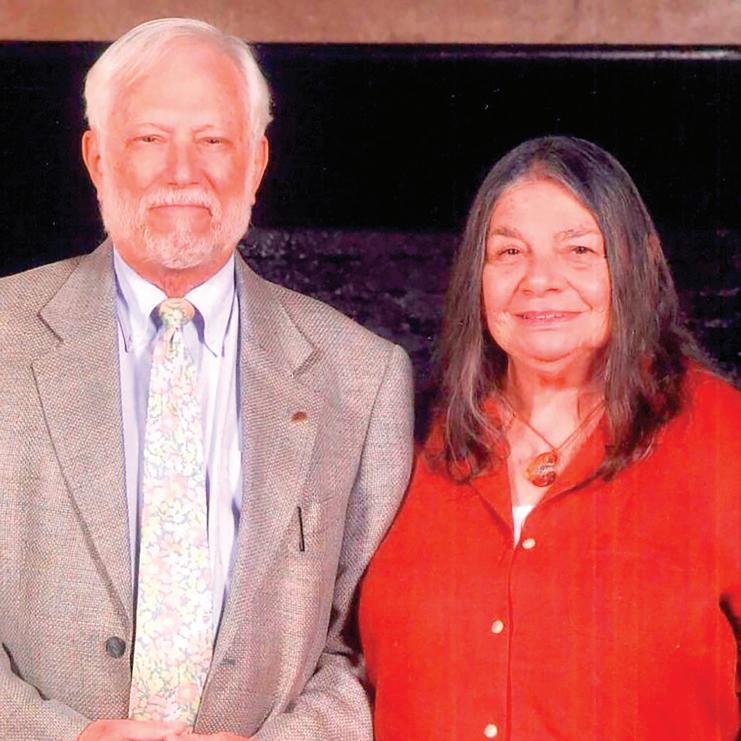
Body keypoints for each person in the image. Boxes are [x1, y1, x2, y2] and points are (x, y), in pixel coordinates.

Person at [0, 18, 413, 741]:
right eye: (149, 138)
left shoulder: (362, 377)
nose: (182, 173)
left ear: (256, 161)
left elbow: (366, 650)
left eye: (213, 140)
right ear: (97, 158)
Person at [359, 136, 740, 740]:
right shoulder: (401, 437)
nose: (539, 280)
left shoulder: (721, 435)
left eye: (579, 250)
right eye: (509, 252)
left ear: (638, 262)